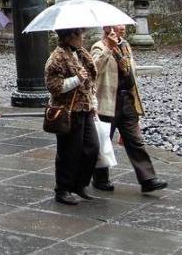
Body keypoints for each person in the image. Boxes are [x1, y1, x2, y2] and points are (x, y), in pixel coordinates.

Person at [91, 25, 167, 194]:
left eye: (123, 24)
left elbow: (130, 73)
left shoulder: (125, 46)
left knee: (135, 139)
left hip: (127, 100)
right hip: (108, 99)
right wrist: (109, 49)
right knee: (104, 140)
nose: (122, 27)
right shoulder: (99, 46)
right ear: (107, 27)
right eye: (118, 24)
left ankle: (148, 179)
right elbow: (93, 69)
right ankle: (100, 178)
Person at [45, 27, 99, 206]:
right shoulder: (57, 57)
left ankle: (80, 184)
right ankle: (63, 188)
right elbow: (54, 86)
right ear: (69, 37)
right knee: (69, 151)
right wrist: (77, 79)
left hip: (85, 108)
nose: (83, 37)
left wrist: (94, 103)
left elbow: (90, 82)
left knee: (91, 147)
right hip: (68, 110)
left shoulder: (82, 54)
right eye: (79, 34)